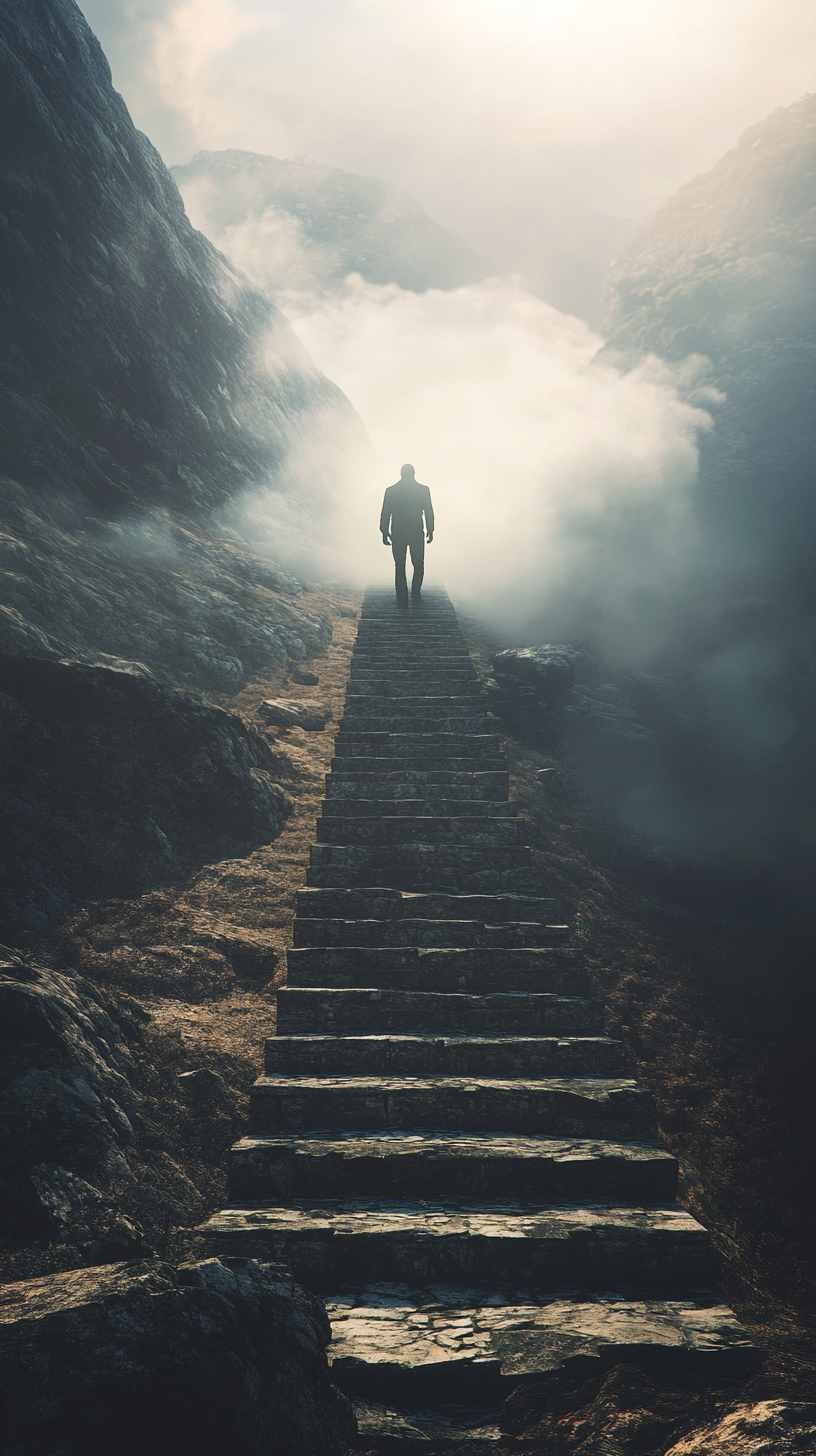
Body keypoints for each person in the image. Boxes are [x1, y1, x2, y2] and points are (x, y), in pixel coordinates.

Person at [380, 464, 434, 606]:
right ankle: (415, 591)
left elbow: (385, 513)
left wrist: (384, 531)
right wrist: (430, 529)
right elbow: (428, 511)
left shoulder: (391, 491)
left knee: (399, 564)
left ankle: (401, 595)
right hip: (416, 530)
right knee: (418, 563)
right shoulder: (423, 490)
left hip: (398, 530)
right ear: (413, 474)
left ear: (401, 474)